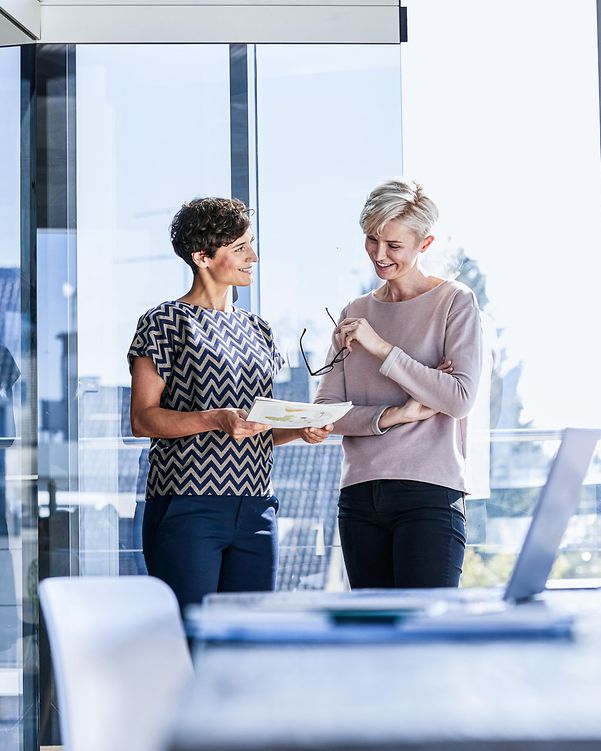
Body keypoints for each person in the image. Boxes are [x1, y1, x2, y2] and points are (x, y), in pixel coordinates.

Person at [128, 197, 332, 610]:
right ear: (201, 256)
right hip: (188, 504)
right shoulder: (164, 321)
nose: (253, 257)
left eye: (250, 244)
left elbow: (260, 427)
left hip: (257, 506)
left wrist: (300, 429)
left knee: (248, 640)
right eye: (240, 248)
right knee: (190, 638)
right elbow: (142, 419)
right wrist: (214, 419)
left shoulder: (259, 329)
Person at [315, 178, 483, 589]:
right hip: (359, 496)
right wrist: (398, 414)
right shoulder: (354, 311)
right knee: (373, 640)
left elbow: (458, 398)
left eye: (393, 245)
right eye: (372, 240)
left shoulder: (455, 303)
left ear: (424, 245)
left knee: (426, 637)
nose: (379, 254)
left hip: (430, 495)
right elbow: (327, 411)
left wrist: (381, 349)